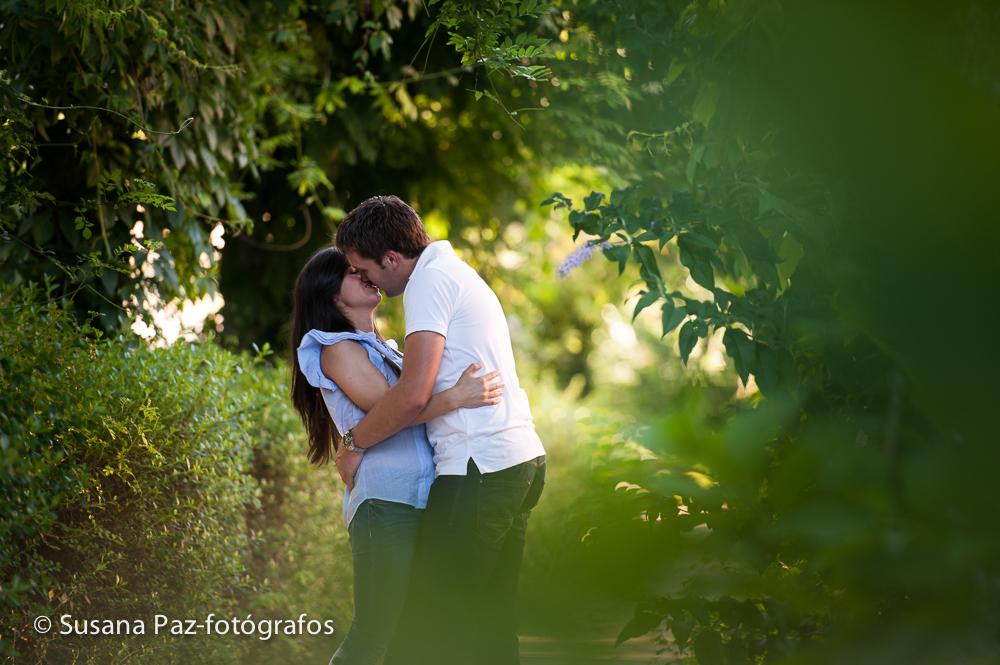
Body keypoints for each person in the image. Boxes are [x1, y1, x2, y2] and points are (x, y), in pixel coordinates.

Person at [331, 194, 547, 665]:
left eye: (363, 269)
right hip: (517, 461)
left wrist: (353, 443)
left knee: (426, 624)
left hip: (479, 470)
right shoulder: (453, 273)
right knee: (488, 622)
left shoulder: (428, 282)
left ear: (391, 258)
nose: (364, 279)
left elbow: (411, 395)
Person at [289, 245, 505, 665]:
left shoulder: (384, 346)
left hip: (423, 497)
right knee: (372, 633)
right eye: (353, 273)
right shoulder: (337, 349)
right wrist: (459, 395)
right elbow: (395, 407)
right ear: (332, 294)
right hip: (384, 504)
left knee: (413, 630)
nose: (366, 275)